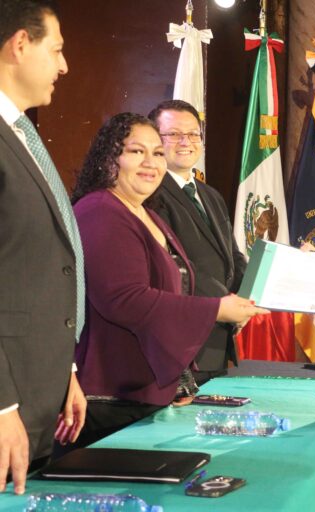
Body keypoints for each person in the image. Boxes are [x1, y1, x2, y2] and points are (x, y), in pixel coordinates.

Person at [67, 113, 260, 449]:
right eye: (136, 151)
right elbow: (125, 300)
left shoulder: (146, 212)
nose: (150, 163)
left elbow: (168, 292)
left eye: (157, 153)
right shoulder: (101, 211)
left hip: (144, 389)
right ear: (110, 157)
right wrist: (214, 310)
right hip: (111, 391)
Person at [0, 0, 86, 494]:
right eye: (56, 50)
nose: (63, 65)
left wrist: (65, 371)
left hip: (40, 394)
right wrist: (3, 402)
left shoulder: (24, 132)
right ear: (19, 44)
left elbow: (38, 267)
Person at [147, 100, 249, 385]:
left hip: (218, 338)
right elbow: (172, 263)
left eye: (193, 134)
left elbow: (233, 257)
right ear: (154, 140)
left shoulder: (210, 194)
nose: (186, 142)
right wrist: (222, 304)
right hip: (182, 339)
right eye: (174, 134)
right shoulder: (150, 193)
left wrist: (242, 298)